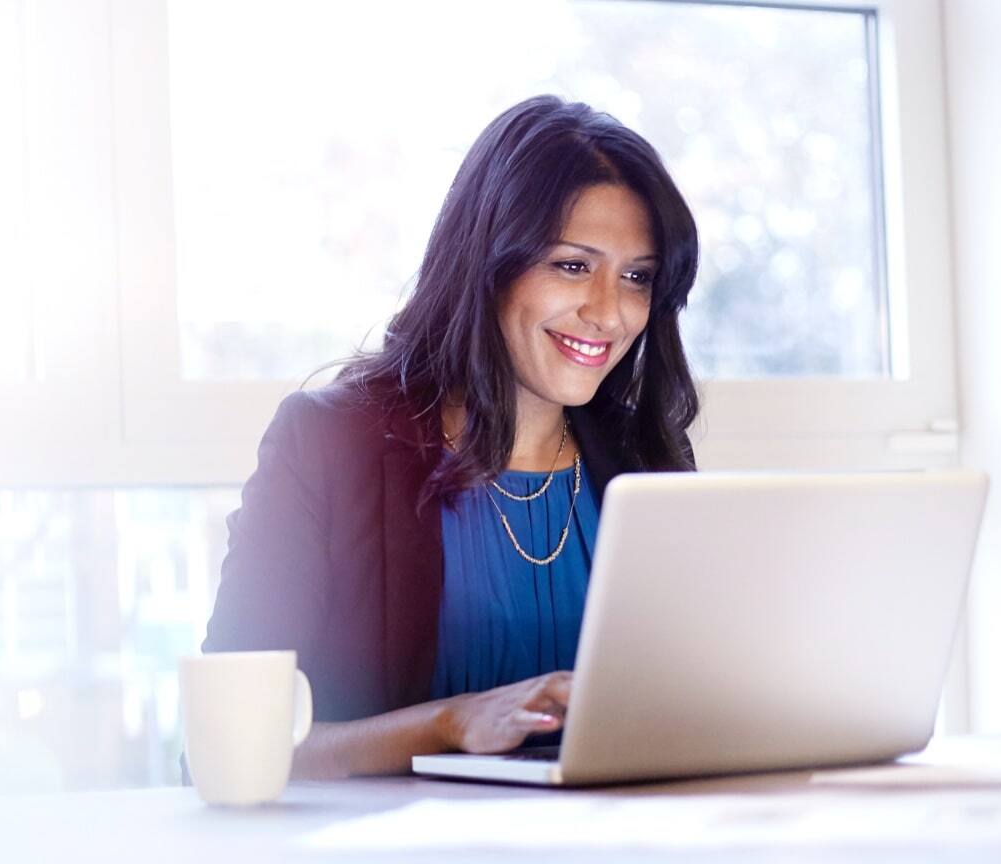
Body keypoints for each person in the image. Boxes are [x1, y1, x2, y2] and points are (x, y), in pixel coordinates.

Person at [201, 95, 699, 779]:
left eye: (637, 277)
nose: (609, 314)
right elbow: (229, 744)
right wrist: (449, 723)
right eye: (572, 266)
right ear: (487, 264)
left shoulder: (644, 459)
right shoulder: (328, 443)